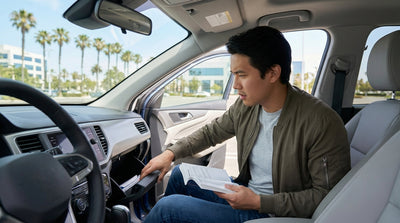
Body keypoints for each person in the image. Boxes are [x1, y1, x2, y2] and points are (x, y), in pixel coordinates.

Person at [140, 26, 350, 223]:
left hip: (271, 214)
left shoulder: (320, 122)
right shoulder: (247, 107)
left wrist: (259, 202)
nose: (236, 85)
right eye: (234, 75)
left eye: (242, 75)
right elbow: (211, 133)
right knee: (179, 175)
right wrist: (171, 153)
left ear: (272, 73)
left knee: (169, 208)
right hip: (248, 193)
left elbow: (326, 197)